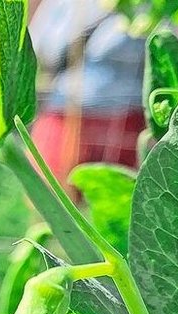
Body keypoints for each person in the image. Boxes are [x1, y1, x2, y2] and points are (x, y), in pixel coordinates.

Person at [29, 0, 147, 181]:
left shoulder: (148, 5)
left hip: (125, 121)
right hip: (68, 114)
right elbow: (42, 50)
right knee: (52, 198)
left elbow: (162, 49)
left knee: (122, 204)